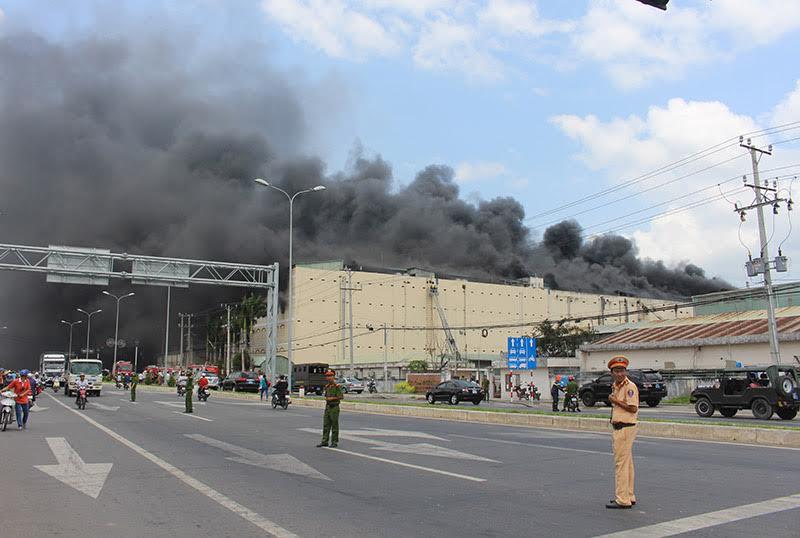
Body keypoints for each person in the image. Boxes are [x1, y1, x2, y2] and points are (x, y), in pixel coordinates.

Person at [606, 355, 639, 510]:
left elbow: (633, 408)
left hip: (625, 427)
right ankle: (629, 495)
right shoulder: (616, 385)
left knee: (621, 464)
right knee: (628, 464)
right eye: (616, 371)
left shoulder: (629, 387)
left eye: (622, 370)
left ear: (626, 371)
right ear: (612, 372)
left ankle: (622, 499)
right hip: (622, 426)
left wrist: (615, 401)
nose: (619, 373)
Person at [317, 370, 343, 448]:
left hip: (334, 407)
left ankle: (334, 442)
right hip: (328, 407)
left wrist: (332, 398)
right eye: (327, 376)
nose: (328, 378)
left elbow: (341, 396)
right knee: (326, 425)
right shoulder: (327, 386)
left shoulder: (337, 386)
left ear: (333, 377)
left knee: (334, 425)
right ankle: (324, 441)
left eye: (330, 376)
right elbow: (325, 396)